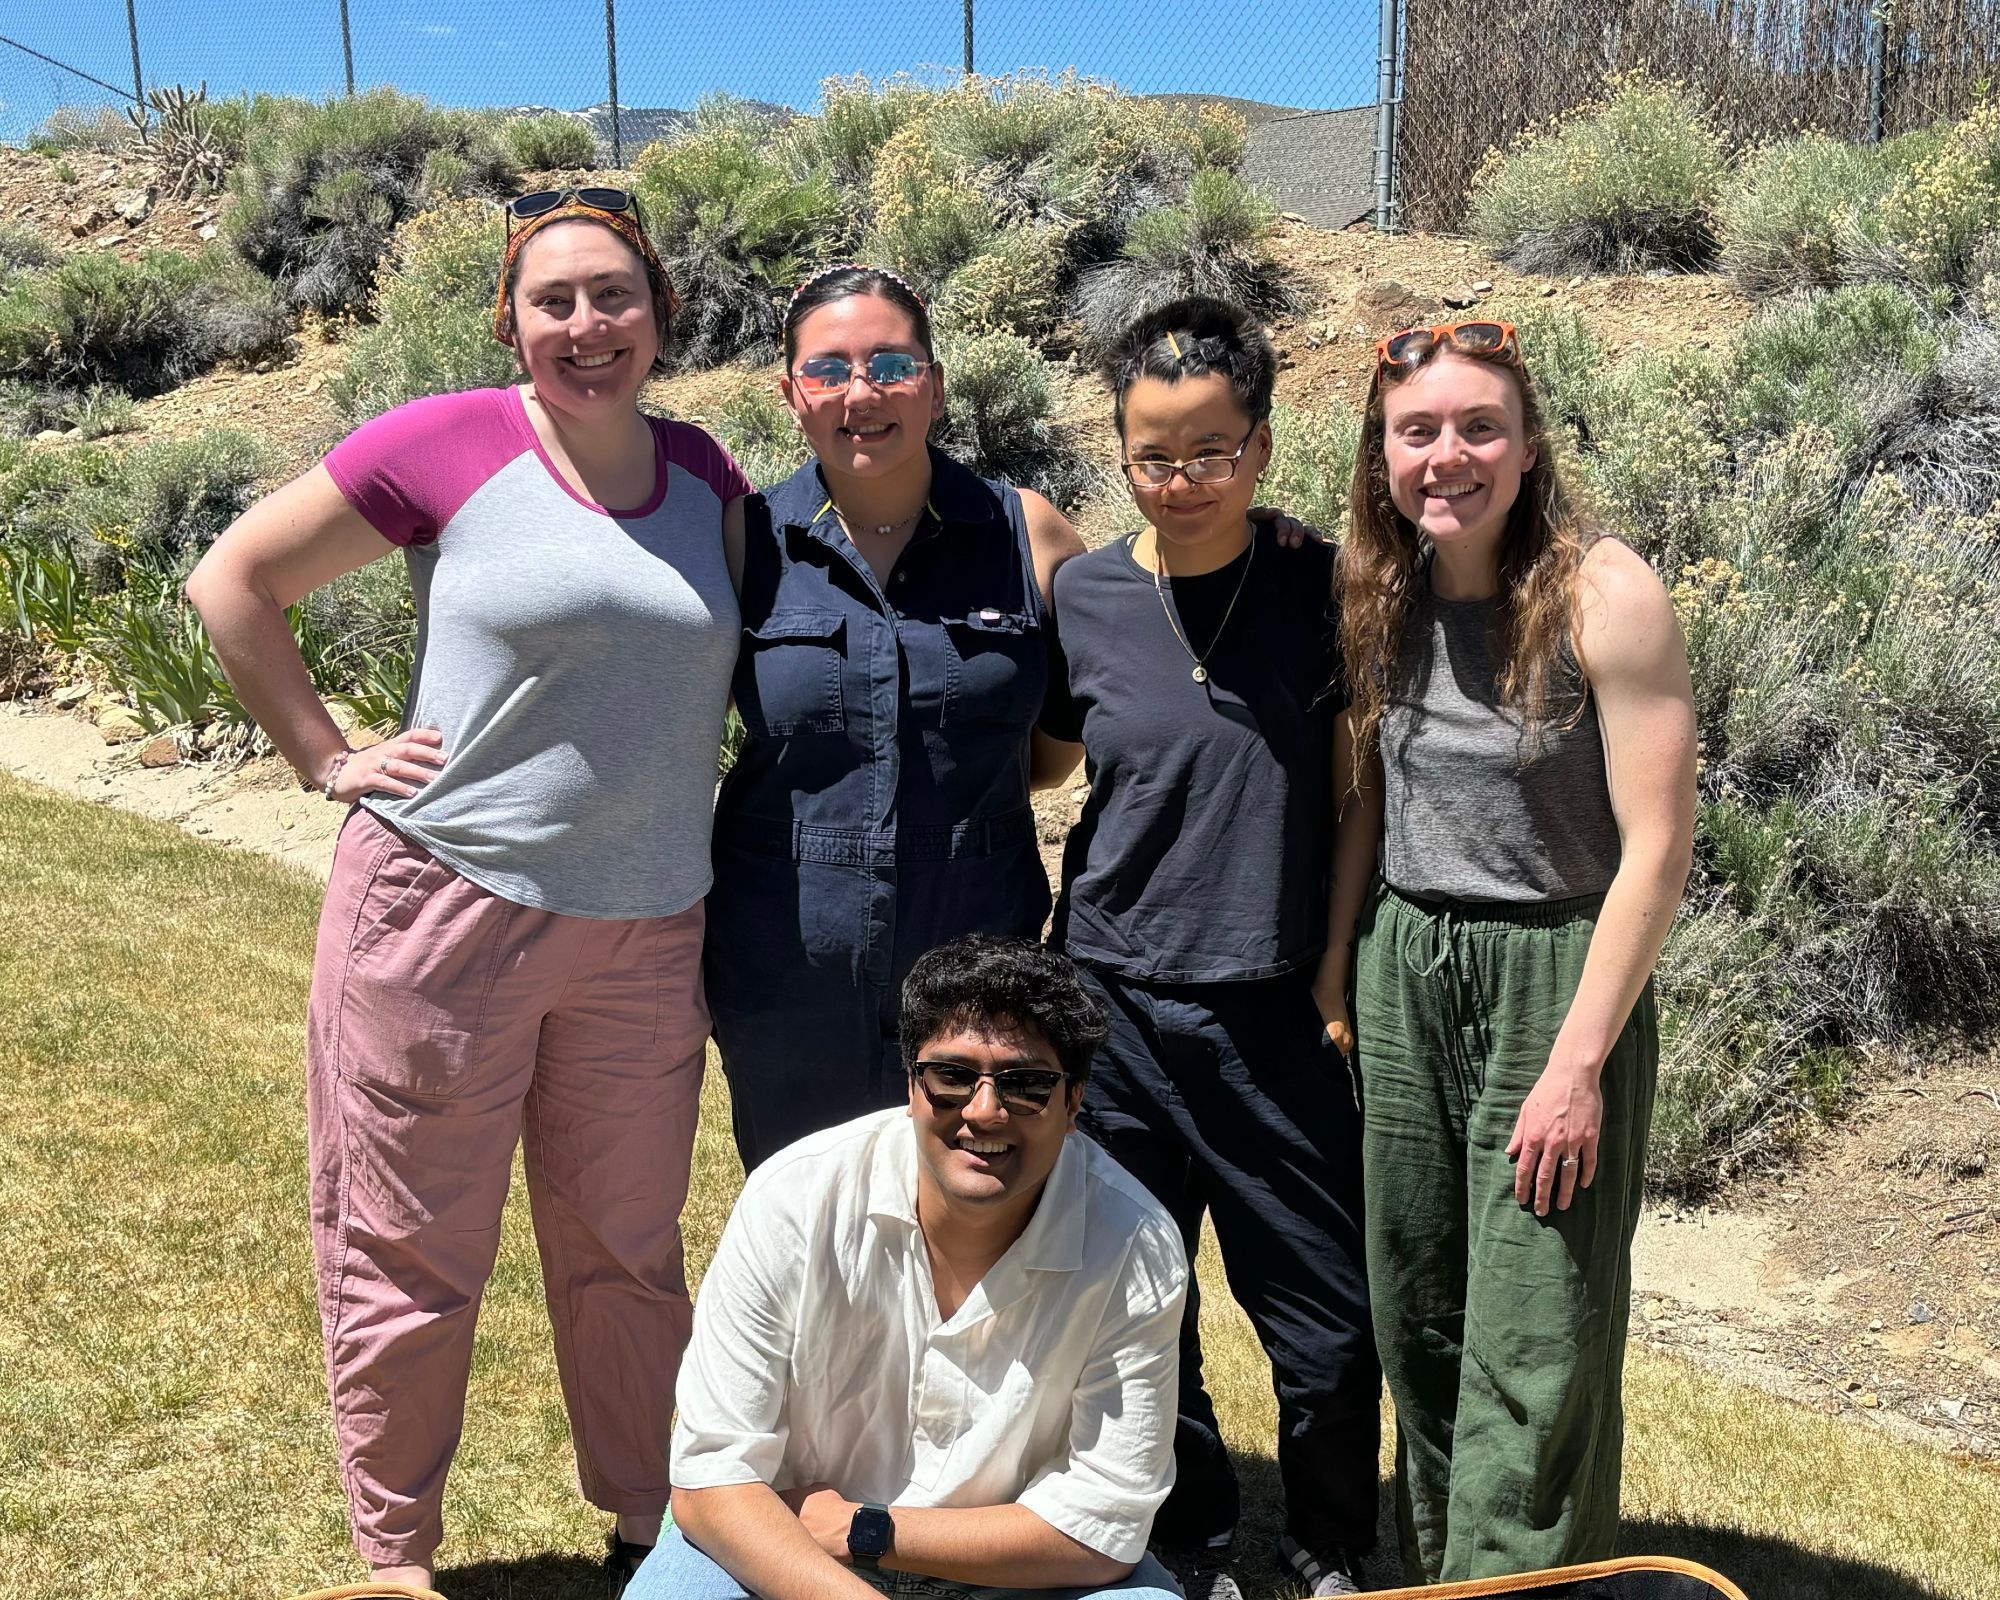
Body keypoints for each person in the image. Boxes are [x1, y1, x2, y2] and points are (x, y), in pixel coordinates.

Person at [185, 187, 751, 1592]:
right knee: (409, 1244)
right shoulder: (449, 441)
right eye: (553, 300)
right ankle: (397, 1556)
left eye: (614, 294)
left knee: (627, 1250)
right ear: (511, 322)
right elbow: (234, 579)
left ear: (660, 313)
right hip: (445, 908)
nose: (586, 324)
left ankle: (646, 1528)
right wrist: (327, 755)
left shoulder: (708, 478)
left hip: (644, 927)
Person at [1325, 318, 1696, 1581]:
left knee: (1540, 1328)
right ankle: (1446, 1568)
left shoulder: (1605, 594)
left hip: (1555, 969)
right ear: (1378, 456)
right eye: (1415, 432)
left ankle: (1521, 1579)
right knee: (1417, 1311)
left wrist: (1577, 1062)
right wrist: (1337, 962)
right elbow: (1368, 794)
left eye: (1479, 427)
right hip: (1403, 961)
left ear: (1528, 446)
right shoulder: (1378, 589)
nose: (1447, 456)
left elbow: (1655, 848)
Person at [1036, 297, 1381, 1600]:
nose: (1182, 483)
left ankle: (1335, 1536)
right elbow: (1057, 758)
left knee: (1323, 1315)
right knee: (1136, 1297)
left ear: (1263, 445)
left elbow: (1367, 788)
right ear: (1120, 452)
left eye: (1211, 452)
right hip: (1112, 1002)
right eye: (1153, 456)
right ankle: (1188, 1532)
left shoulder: (1326, 588)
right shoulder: (1087, 597)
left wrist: (1341, 967)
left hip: (1275, 1010)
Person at [628, 935, 1189, 1600]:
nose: (983, 1111)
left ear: (1073, 1105)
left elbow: (1104, 1526)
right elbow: (714, 1480)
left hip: (1018, 1569)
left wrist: (867, 1530)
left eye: (1027, 1084)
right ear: (912, 1084)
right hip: (788, 1544)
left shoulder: (1134, 1242)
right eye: (952, 1076)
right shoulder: (794, 1199)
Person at [705, 264, 1085, 1171]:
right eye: (828, 370)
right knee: (811, 1226)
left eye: (891, 364)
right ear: (792, 396)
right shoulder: (744, 541)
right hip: (785, 959)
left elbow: (1051, 756)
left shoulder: (1026, 535)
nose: (860, 393)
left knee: (976, 1224)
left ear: (937, 386)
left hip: (976, 953)